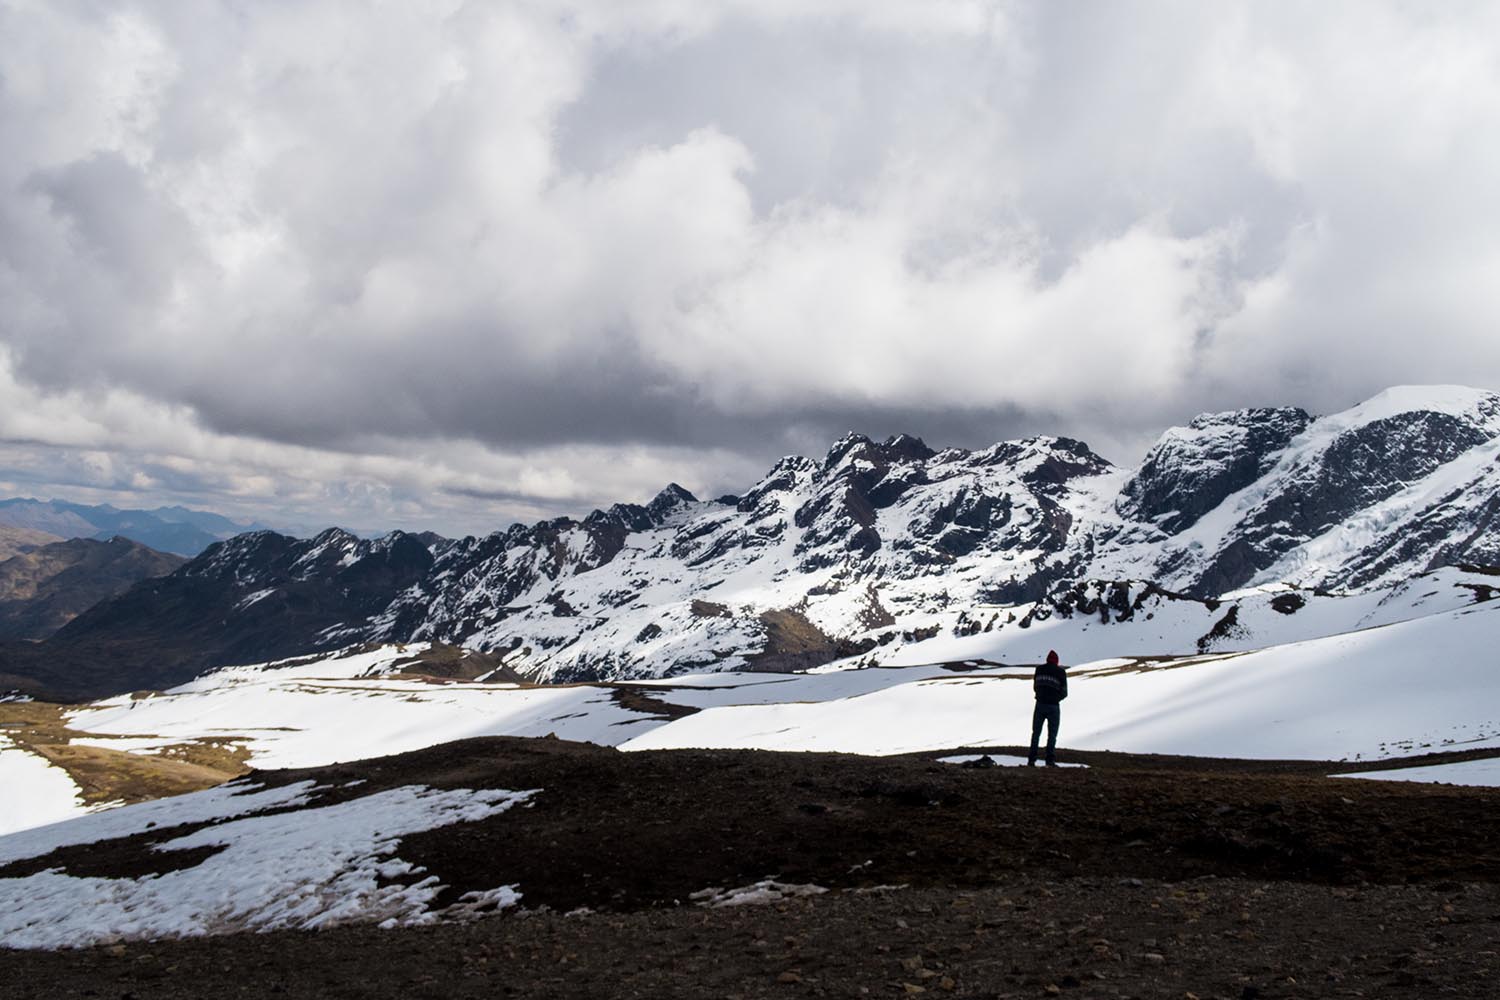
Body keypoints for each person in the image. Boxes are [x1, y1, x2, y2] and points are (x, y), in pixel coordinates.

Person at [1028, 649, 1067, 767]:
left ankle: (1031, 760)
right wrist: (1056, 699)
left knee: (1036, 733)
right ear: (1056, 661)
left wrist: (1041, 696)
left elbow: (1035, 686)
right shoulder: (1060, 672)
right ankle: (1050, 760)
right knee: (1052, 734)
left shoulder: (1039, 670)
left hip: (1039, 704)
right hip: (1053, 706)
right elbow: (1064, 692)